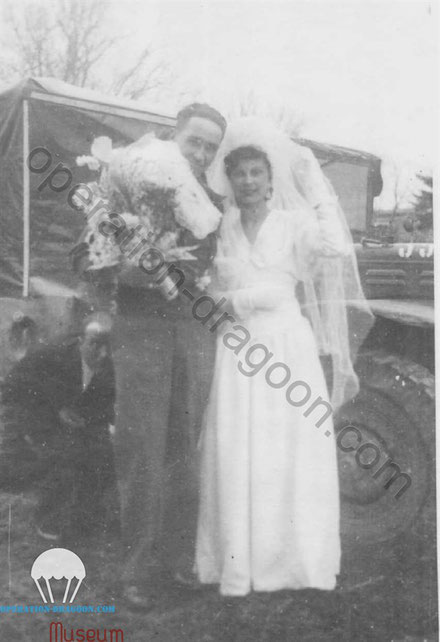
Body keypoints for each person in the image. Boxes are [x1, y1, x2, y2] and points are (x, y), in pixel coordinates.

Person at [195, 119, 373, 596]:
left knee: (286, 451)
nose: (248, 182)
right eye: (240, 175)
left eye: (256, 173)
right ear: (228, 181)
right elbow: (212, 288)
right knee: (238, 449)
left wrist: (315, 186)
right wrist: (223, 300)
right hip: (236, 351)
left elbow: (336, 246)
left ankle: (292, 560)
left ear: (271, 180)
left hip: (286, 350)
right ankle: (237, 564)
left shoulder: (295, 224)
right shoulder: (220, 227)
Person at [71, 103, 227, 607]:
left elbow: (211, 266)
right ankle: (135, 570)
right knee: (141, 447)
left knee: (186, 446)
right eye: (194, 140)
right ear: (171, 137)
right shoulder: (128, 186)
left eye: (209, 145)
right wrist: (134, 269)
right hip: (141, 329)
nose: (200, 152)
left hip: (193, 331)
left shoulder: (211, 198)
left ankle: (179, 559)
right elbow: (93, 260)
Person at [1, 312, 119, 542]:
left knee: (104, 456)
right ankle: (47, 518)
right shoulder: (52, 355)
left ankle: (85, 520)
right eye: (94, 345)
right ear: (80, 340)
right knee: (65, 457)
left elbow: (105, 403)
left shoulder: (110, 367)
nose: (101, 353)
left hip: (82, 426)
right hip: (39, 422)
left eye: (106, 346)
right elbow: (15, 384)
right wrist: (57, 408)